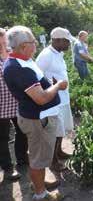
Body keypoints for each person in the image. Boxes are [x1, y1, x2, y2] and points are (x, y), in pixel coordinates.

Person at [3, 26, 67, 201]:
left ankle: (38, 184)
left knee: (39, 156)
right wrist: (58, 85)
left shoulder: (24, 61)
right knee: (38, 159)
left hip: (39, 117)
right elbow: (41, 98)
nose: (36, 46)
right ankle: (41, 194)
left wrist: (50, 84)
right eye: (33, 42)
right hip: (37, 119)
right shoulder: (18, 68)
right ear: (23, 46)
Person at [36, 27, 75, 172]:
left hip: (62, 98)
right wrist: (51, 84)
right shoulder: (46, 55)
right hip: (53, 100)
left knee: (61, 128)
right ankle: (53, 161)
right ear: (57, 40)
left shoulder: (58, 53)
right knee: (53, 131)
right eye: (66, 41)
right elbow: (37, 77)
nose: (68, 44)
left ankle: (59, 152)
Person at [0, 28, 28, 181]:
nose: (2, 46)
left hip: (17, 102)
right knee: (2, 138)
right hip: (0, 106)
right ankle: (7, 167)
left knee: (22, 131)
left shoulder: (13, 55)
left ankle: (22, 159)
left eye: (4, 42)